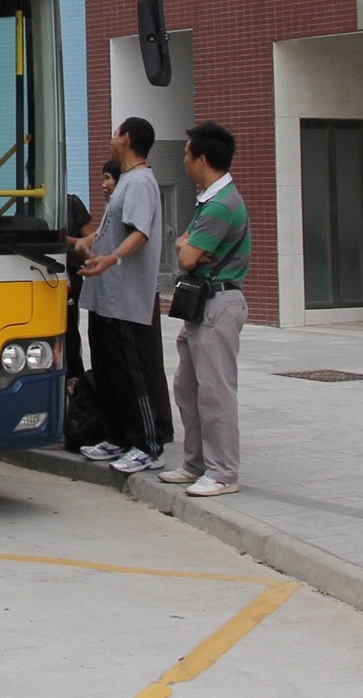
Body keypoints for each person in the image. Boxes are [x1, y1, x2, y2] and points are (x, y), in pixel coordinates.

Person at [69, 117, 167, 475]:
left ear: (126, 138)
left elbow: (140, 233)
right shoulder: (126, 180)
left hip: (126, 298)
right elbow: (110, 230)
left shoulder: (140, 182)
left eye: (115, 133)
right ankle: (118, 436)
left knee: (132, 373)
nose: (112, 138)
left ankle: (148, 445)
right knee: (109, 372)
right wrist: (87, 243)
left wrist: (111, 258)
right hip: (105, 297)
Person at [160, 122, 252, 498]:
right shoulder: (209, 201)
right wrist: (189, 247)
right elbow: (185, 246)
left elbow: (185, 256)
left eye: (186, 154)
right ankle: (195, 463)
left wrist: (188, 248)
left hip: (218, 304)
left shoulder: (220, 206)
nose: (183, 160)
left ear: (202, 159)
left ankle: (223, 472)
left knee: (215, 391)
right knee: (187, 386)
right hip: (203, 305)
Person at [60, 163, 110, 381]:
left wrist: (63, 240)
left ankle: (75, 381)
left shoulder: (72, 203)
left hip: (70, 278)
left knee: (70, 332)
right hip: (40, 276)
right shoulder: (27, 206)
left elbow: (90, 243)